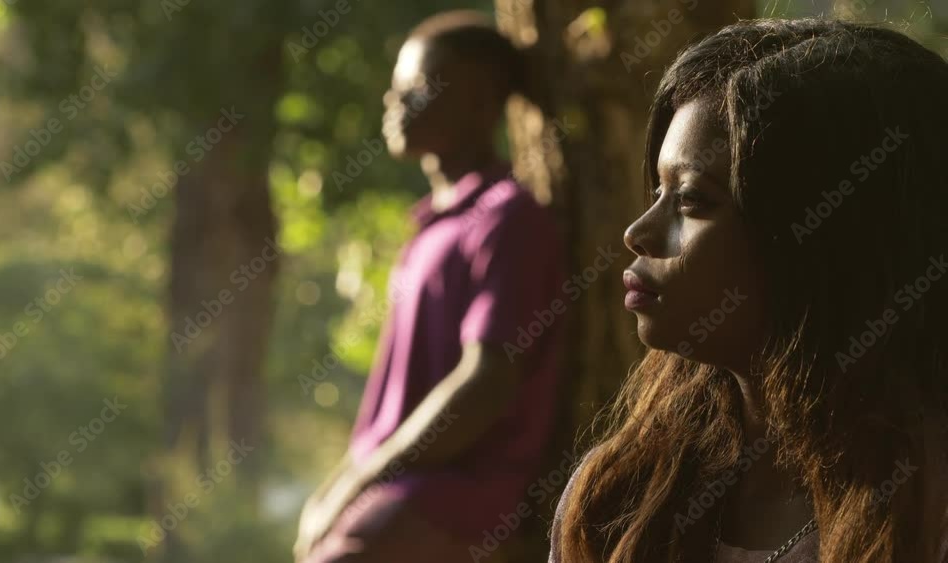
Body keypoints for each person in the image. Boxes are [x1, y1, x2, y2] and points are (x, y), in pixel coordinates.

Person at [549, 18, 948, 563]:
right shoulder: (619, 497)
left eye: (690, 201)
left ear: (824, 236)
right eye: (657, 190)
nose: (637, 232)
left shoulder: (925, 519)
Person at [295, 10, 565, 563]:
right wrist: (335, 487)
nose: (395, 104)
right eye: (395, 90)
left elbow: (486, 380)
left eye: (418, 89)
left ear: (481, 103)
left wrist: (364, 476)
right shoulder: (428, 230)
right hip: (390, 487)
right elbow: (390, 408)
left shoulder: (507, 220)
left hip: (452, 501)